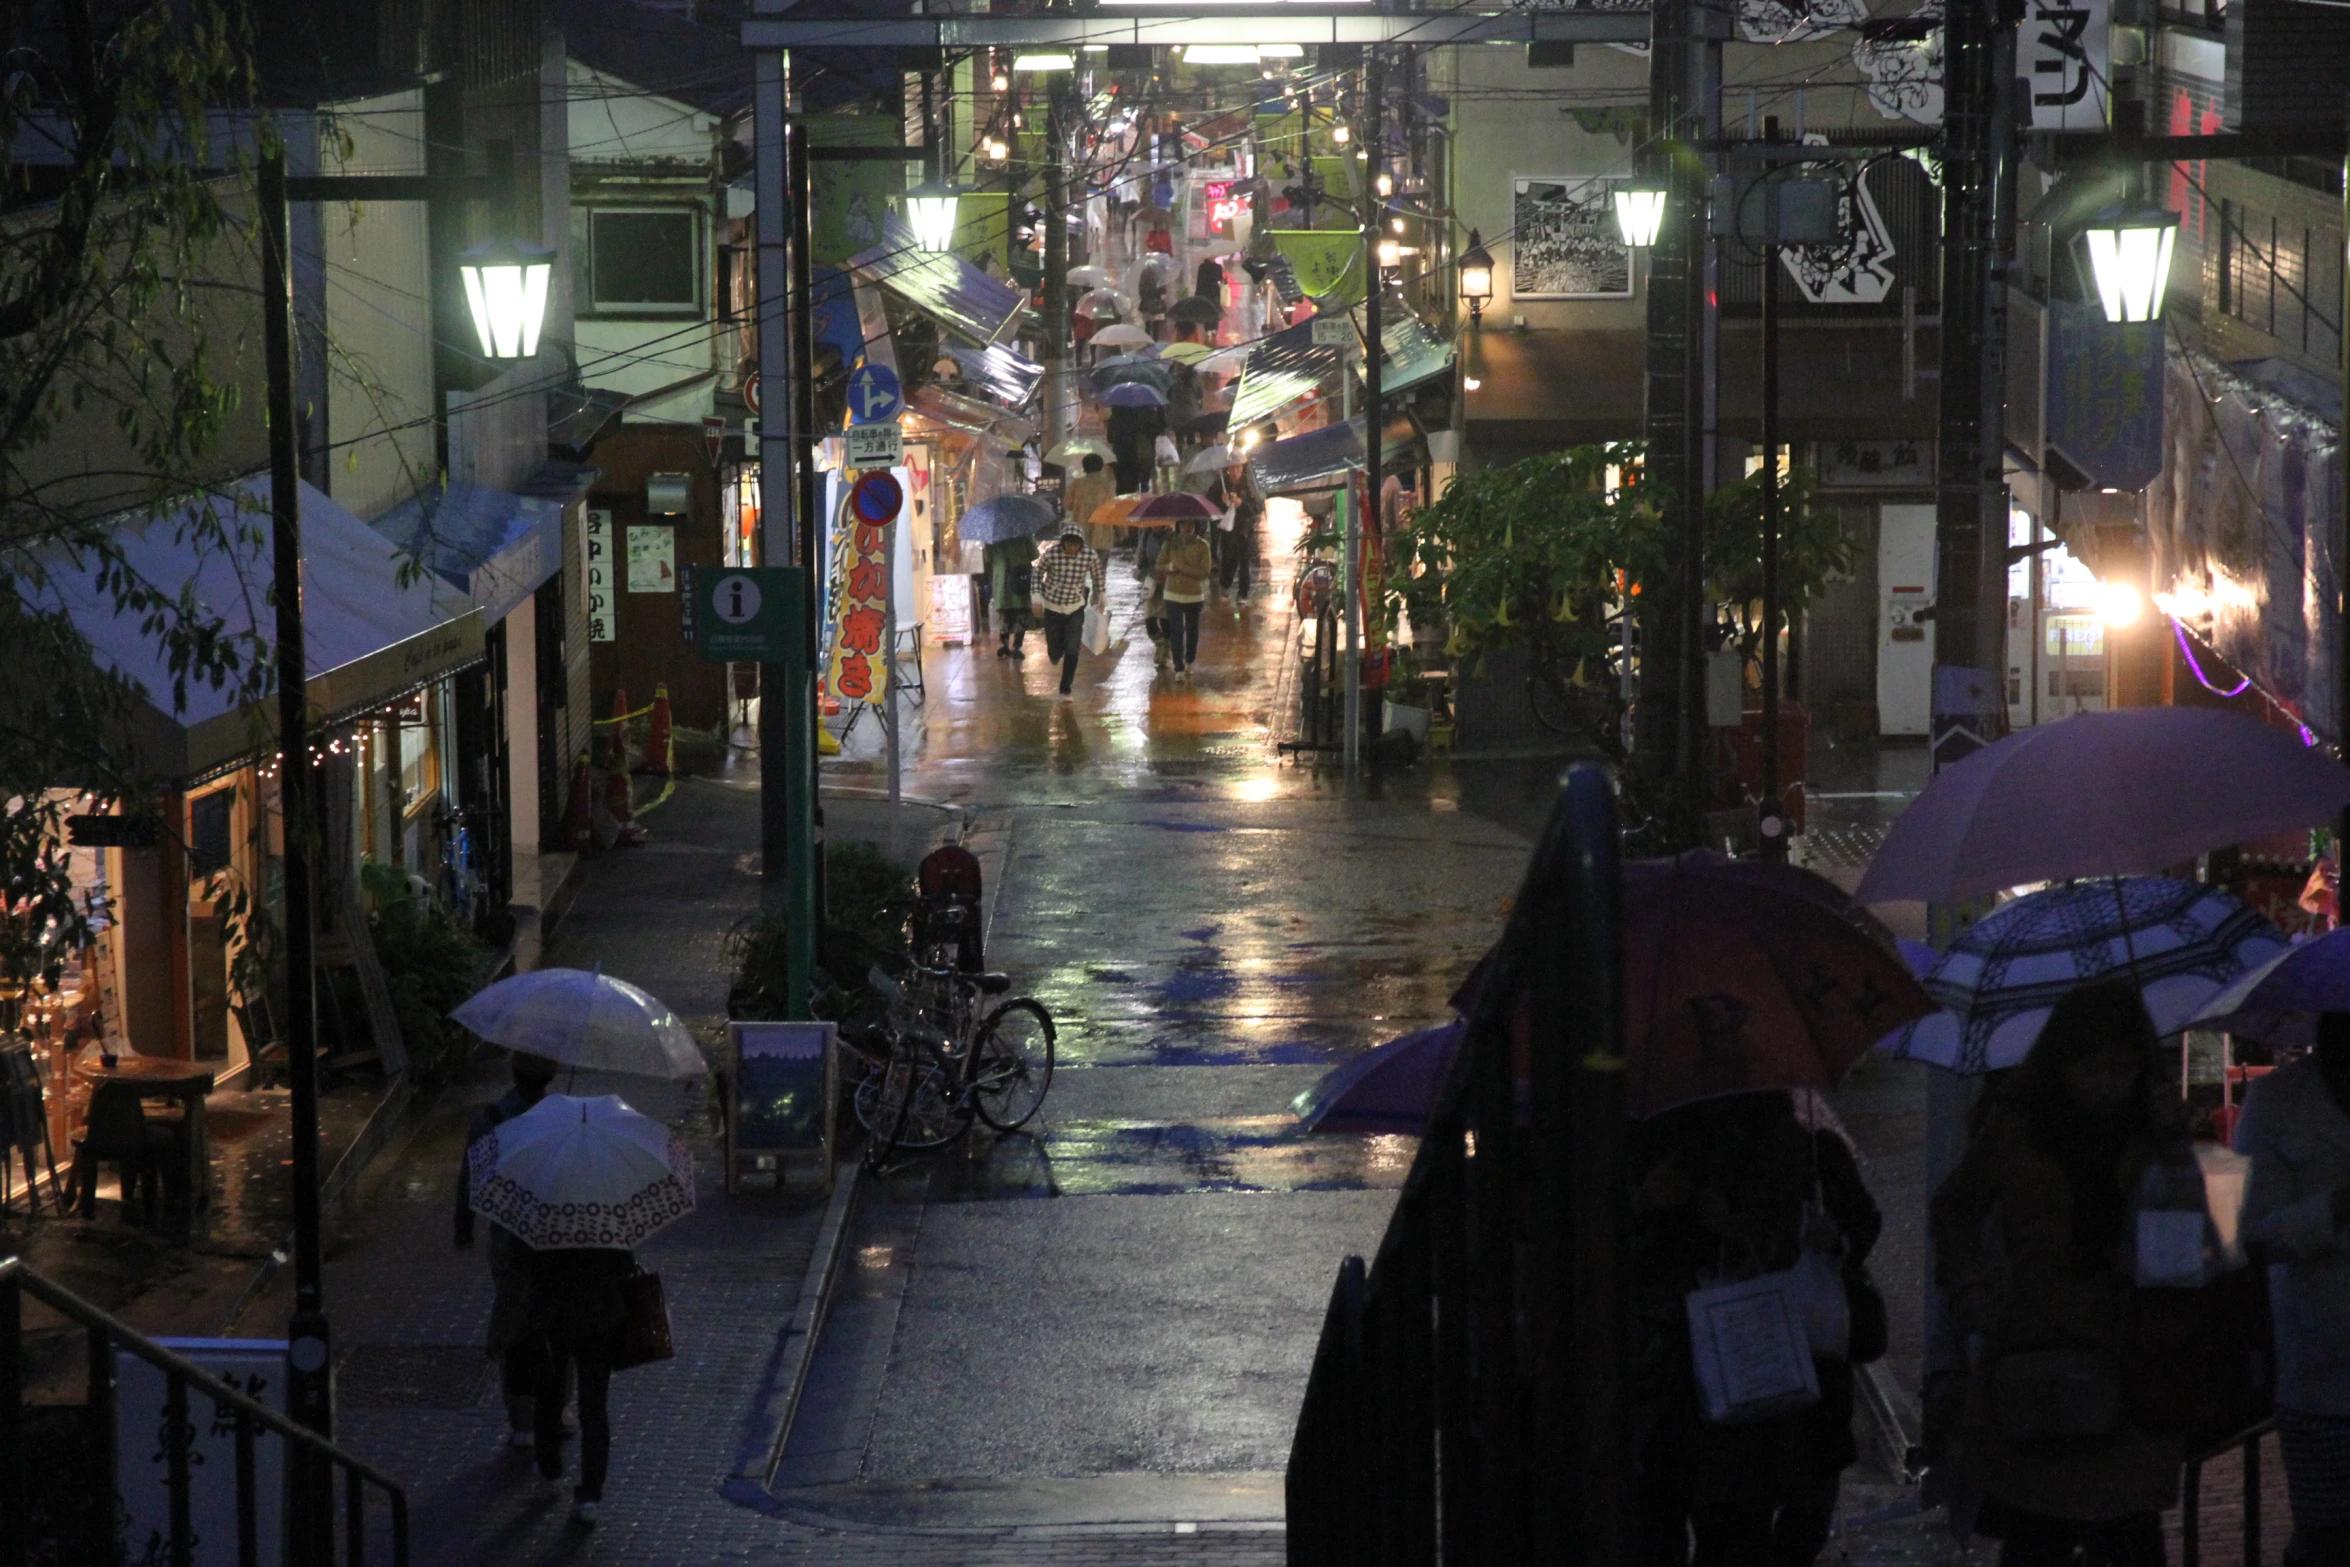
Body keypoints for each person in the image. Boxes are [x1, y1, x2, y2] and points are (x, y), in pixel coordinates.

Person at [1931, 980, 2187, 1567]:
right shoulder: (2019, 1125)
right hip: (2036, 1355)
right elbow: (1955, 1206)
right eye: (2090, 1067)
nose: (2105, 1083)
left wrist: (2174, 1145)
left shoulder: (2152, 1126)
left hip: (2128, 1357)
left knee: (2127, 1536)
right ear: (2062, 1063)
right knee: (2036, 1537)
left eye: (2120, 1068)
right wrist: (1973, 1295)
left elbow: (2194, 1234)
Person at [1632, 1090, 1883, 1567]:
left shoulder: (1810, 1152)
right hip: (1728, 1368)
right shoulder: (1678, 1155)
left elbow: (1861, 1222)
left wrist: (1835, 1238)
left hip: (1767, 1363)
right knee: (1738, 1516)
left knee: (1750, 1514)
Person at [2236, 1010, 2350, 1567]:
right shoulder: (2275, 1102)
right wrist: (2333, 1209)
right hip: (2320, 1370)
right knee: (2326, 1538)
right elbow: (2253, 1232)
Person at [455, 1050, 560, 1449]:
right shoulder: (563, 1120)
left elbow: (470, 1176)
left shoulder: (491, 1120)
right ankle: (556, 1406)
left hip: (508, 1239)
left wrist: (463, 1227)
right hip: (555, 1236)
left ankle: (520, 1418)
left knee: (514, 1322)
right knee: (555, 1321)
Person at [521, 1239, 637, 1527]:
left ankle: (550, 1474)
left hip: (555, 1316)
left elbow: (529, 1266)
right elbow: (625, 1266)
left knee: (549, 1397)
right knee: (594, 1407)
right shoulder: (607, 1217)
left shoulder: (549, 1216)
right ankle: (589, 1497)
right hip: (599, 1319)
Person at [1032, 526, 1106, 699]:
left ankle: (1066, 688)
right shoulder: (1051, 554)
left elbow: (1098, 576)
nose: (1073, 549)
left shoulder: (1089, 555)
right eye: (1069, 545)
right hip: (1052, 606)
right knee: (1055, 647)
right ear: (1063, 543)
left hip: (1075, 607)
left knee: (1073, 649)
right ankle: (1054, 653)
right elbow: (1037, 573)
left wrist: (1101, 596)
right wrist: (1036, 597)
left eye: (1076, 545)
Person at [1153, 516, 1215, 679]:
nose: (1188, 527)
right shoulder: (1170, 543)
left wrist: (1182, 567)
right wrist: (1170, 567)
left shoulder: (1203, 546)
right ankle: (1178, 667)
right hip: (1172, 594)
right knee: (1176, 631)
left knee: (1192, 632)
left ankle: (1189, 660)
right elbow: (1159, 565)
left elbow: (1204, 572)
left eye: (1191, 523)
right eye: (1184, 523)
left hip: (1194, 596)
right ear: (1178, 525)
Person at [985, 532, 1036, 657]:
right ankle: (1017, 646)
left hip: (1001, 579)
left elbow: (988, 558)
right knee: (1021, 613)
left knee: (1005, 614)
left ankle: (1004, 643)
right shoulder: (1024, 532)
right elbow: (1034, 554)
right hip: (1020, 577)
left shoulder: (992, 535)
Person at [1220, 461, 1262, 602]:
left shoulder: (1249, 485)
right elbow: (1211, 503)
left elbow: (1257, 507)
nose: (1235, 471)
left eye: (1238, 467)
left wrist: (1241, 504)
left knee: (1245, 561)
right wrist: (1222, 500)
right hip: (1227, 530)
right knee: (1229, 559)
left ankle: (1243, 593)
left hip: (1245, 529)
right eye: (1232, 467)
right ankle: (1225, 584)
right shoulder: (1221, 484)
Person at [1065, 453, 1118, 551]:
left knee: (1082, 564)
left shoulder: (1076, 484)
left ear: (1084, 466)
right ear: (1101, 467)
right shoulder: (1107, 485)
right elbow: (1114, 509)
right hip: (1102, 533)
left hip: (1080, 534)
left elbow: (1068, 505)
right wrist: (1122, 531)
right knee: (1100, 565)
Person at [1135, 526, 1170, 666]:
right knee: (1149, 619)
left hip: (1166, 582)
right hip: (1149, 581)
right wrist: (1139, 560)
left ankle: (1165, 651)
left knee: (1165, 618)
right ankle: (1160, 644)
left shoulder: (1171, 537)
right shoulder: (1145, 534)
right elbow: (1141, 556)